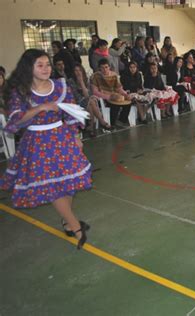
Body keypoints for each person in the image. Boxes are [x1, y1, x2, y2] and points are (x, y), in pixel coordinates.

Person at [0, 49, 92, 249]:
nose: (46, 69)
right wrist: (41, 108)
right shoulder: (21, 91)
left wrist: (76, 136)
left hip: (63, 138)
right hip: (38, 143)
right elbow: (16, 119)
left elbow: (71, 112)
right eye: (39, 65)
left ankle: (67, 222)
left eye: (47, 64)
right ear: (29, 68)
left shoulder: (60, 86)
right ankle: (76, 228)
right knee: (53, 187)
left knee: (71, 182)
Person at [68, 63, 112, 135]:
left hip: (88, 101)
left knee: (90, 103)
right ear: (73, 72)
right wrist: (81, 83)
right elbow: (77, 97)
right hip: (76, 103)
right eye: (76, 70)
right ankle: (101, 122)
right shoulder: (71, 81)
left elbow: (88, 95)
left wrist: (82, 82)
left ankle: (91, 127)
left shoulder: (86, 79)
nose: (78, 72)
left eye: (79, 70)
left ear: (82, 71)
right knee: (91, 102)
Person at [91, 58, 131, 128]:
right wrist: (109, 97)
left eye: (106, 67)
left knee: (128, 102)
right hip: (102, 97)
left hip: (114, 95)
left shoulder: (114, 75)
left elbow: (119, 88)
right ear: (99, 68)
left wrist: (125, 94)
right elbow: (95, 92)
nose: (105, 69)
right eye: (102, 68)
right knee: (115, 104)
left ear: (109, 67)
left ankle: (121, 120)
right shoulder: (96, 76)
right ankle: (112, 123)